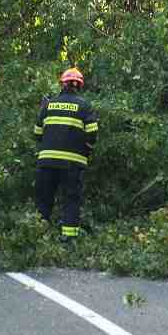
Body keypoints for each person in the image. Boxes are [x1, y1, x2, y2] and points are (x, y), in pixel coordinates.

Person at [34, 67, 99, 242]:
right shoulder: (84, 106)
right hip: (72, 164)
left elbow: (37, 133)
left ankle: (38, 237)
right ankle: (68, 240)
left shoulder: (48, 105)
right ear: (80, 86)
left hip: (46, 162)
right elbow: (92, 133)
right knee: (71, 200)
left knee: (44, 199)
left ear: (62, 84)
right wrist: (87, 149)